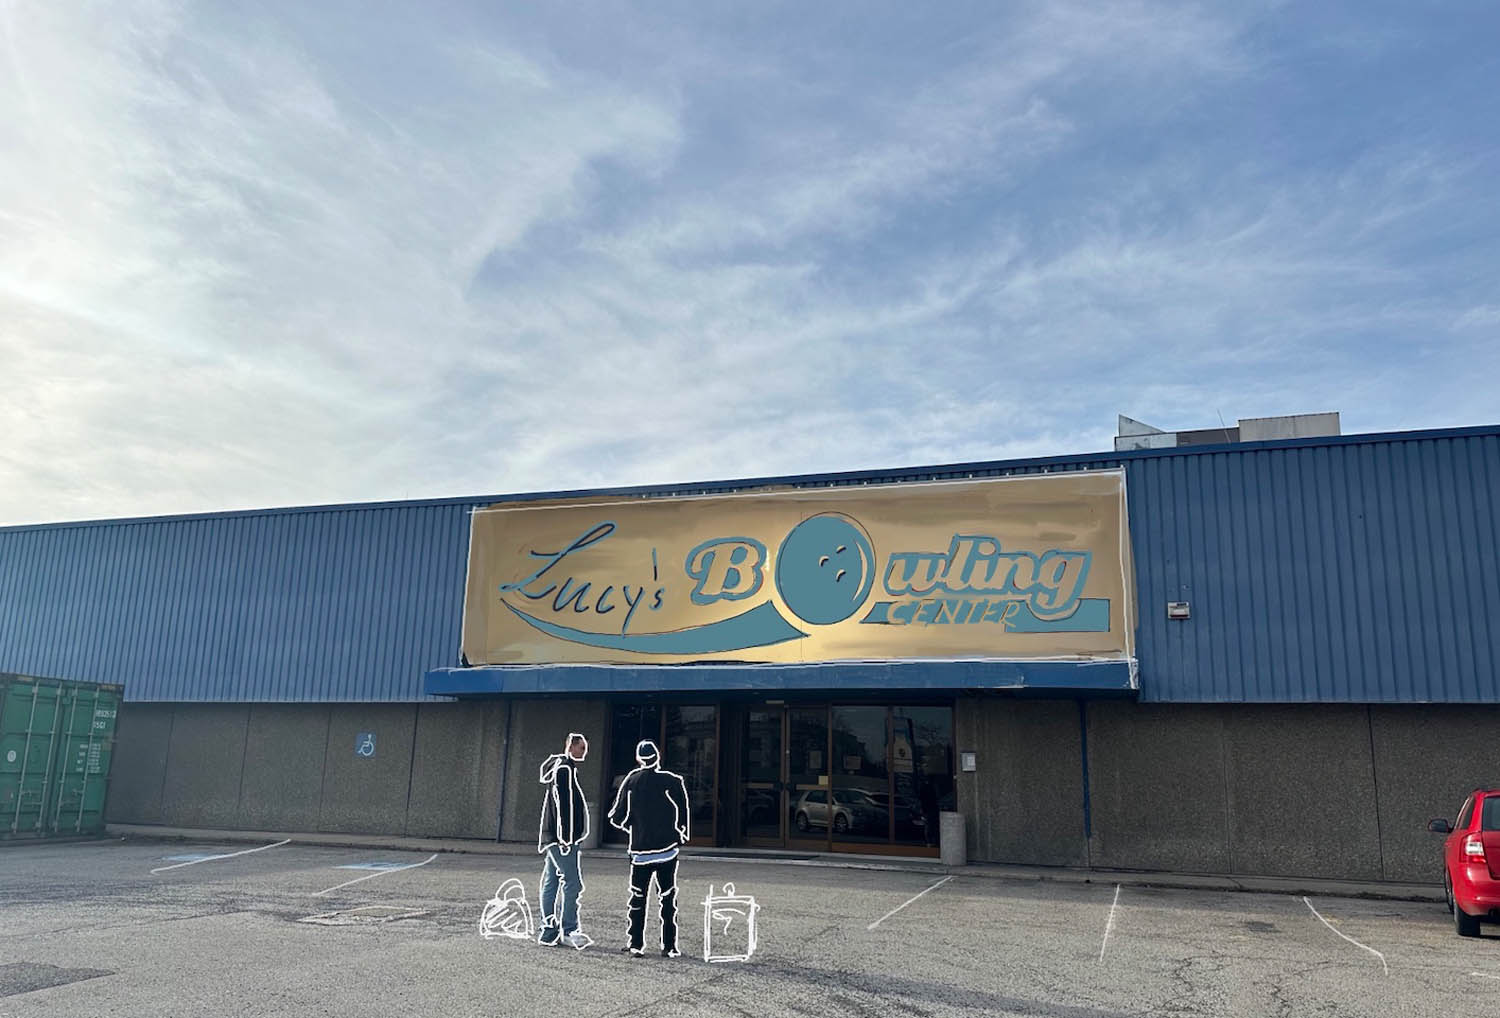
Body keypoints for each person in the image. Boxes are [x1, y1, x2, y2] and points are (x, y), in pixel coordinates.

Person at [607, 739, 690, 957]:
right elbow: (683, 812)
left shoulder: (631, 781)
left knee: (637, 898)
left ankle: (636, 944)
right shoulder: (673, 781)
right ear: (657, 757)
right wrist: (681, 834)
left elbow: (616, 816)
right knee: (667, 897)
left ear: (639, 759)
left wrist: (631, 826)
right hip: (667, 850)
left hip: (640, 850)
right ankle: (669, 946)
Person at [537, 733, 592, 949]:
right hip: (561, 839)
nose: (584, 752)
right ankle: (568, 930)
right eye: (582, 747)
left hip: (554, 837)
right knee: (573, 883)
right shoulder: (564, 769)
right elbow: (563, 804)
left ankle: (548, 932)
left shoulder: (561, 767)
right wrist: (565, 838)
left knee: (552, 881)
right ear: (571, 746)